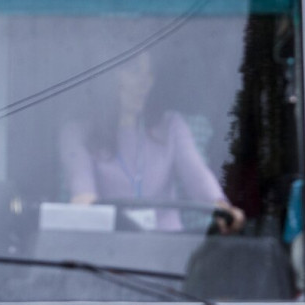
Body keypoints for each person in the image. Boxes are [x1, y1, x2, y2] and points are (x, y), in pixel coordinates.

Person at [59, 52, 244, 233]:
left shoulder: (171, 125)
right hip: (110, 249)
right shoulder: (76, 133)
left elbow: (197, 177)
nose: (144, 83)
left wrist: (222, 207)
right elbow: (83, 192)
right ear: (108, 75)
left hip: (169, 253)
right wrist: (83, 206)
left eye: (149, 74)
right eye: (134, 72)